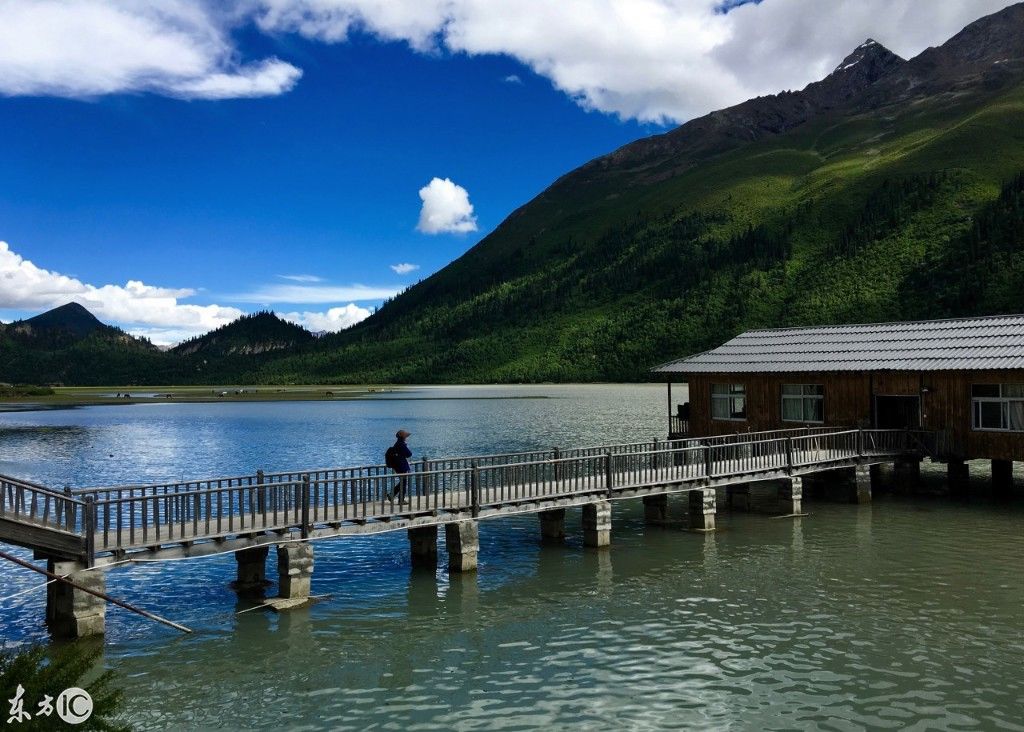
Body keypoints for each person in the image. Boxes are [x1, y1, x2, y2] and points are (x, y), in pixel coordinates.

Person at [386, 429, 413, 504]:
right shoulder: (401, 444)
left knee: (402, 482)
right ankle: (401, 500)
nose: (406, 437)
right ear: (403, 437)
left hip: (398, 466)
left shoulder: (398, 443)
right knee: (403, 483)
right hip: (401, 466)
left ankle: (392, 495)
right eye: (405, 436)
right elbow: (409, 454)